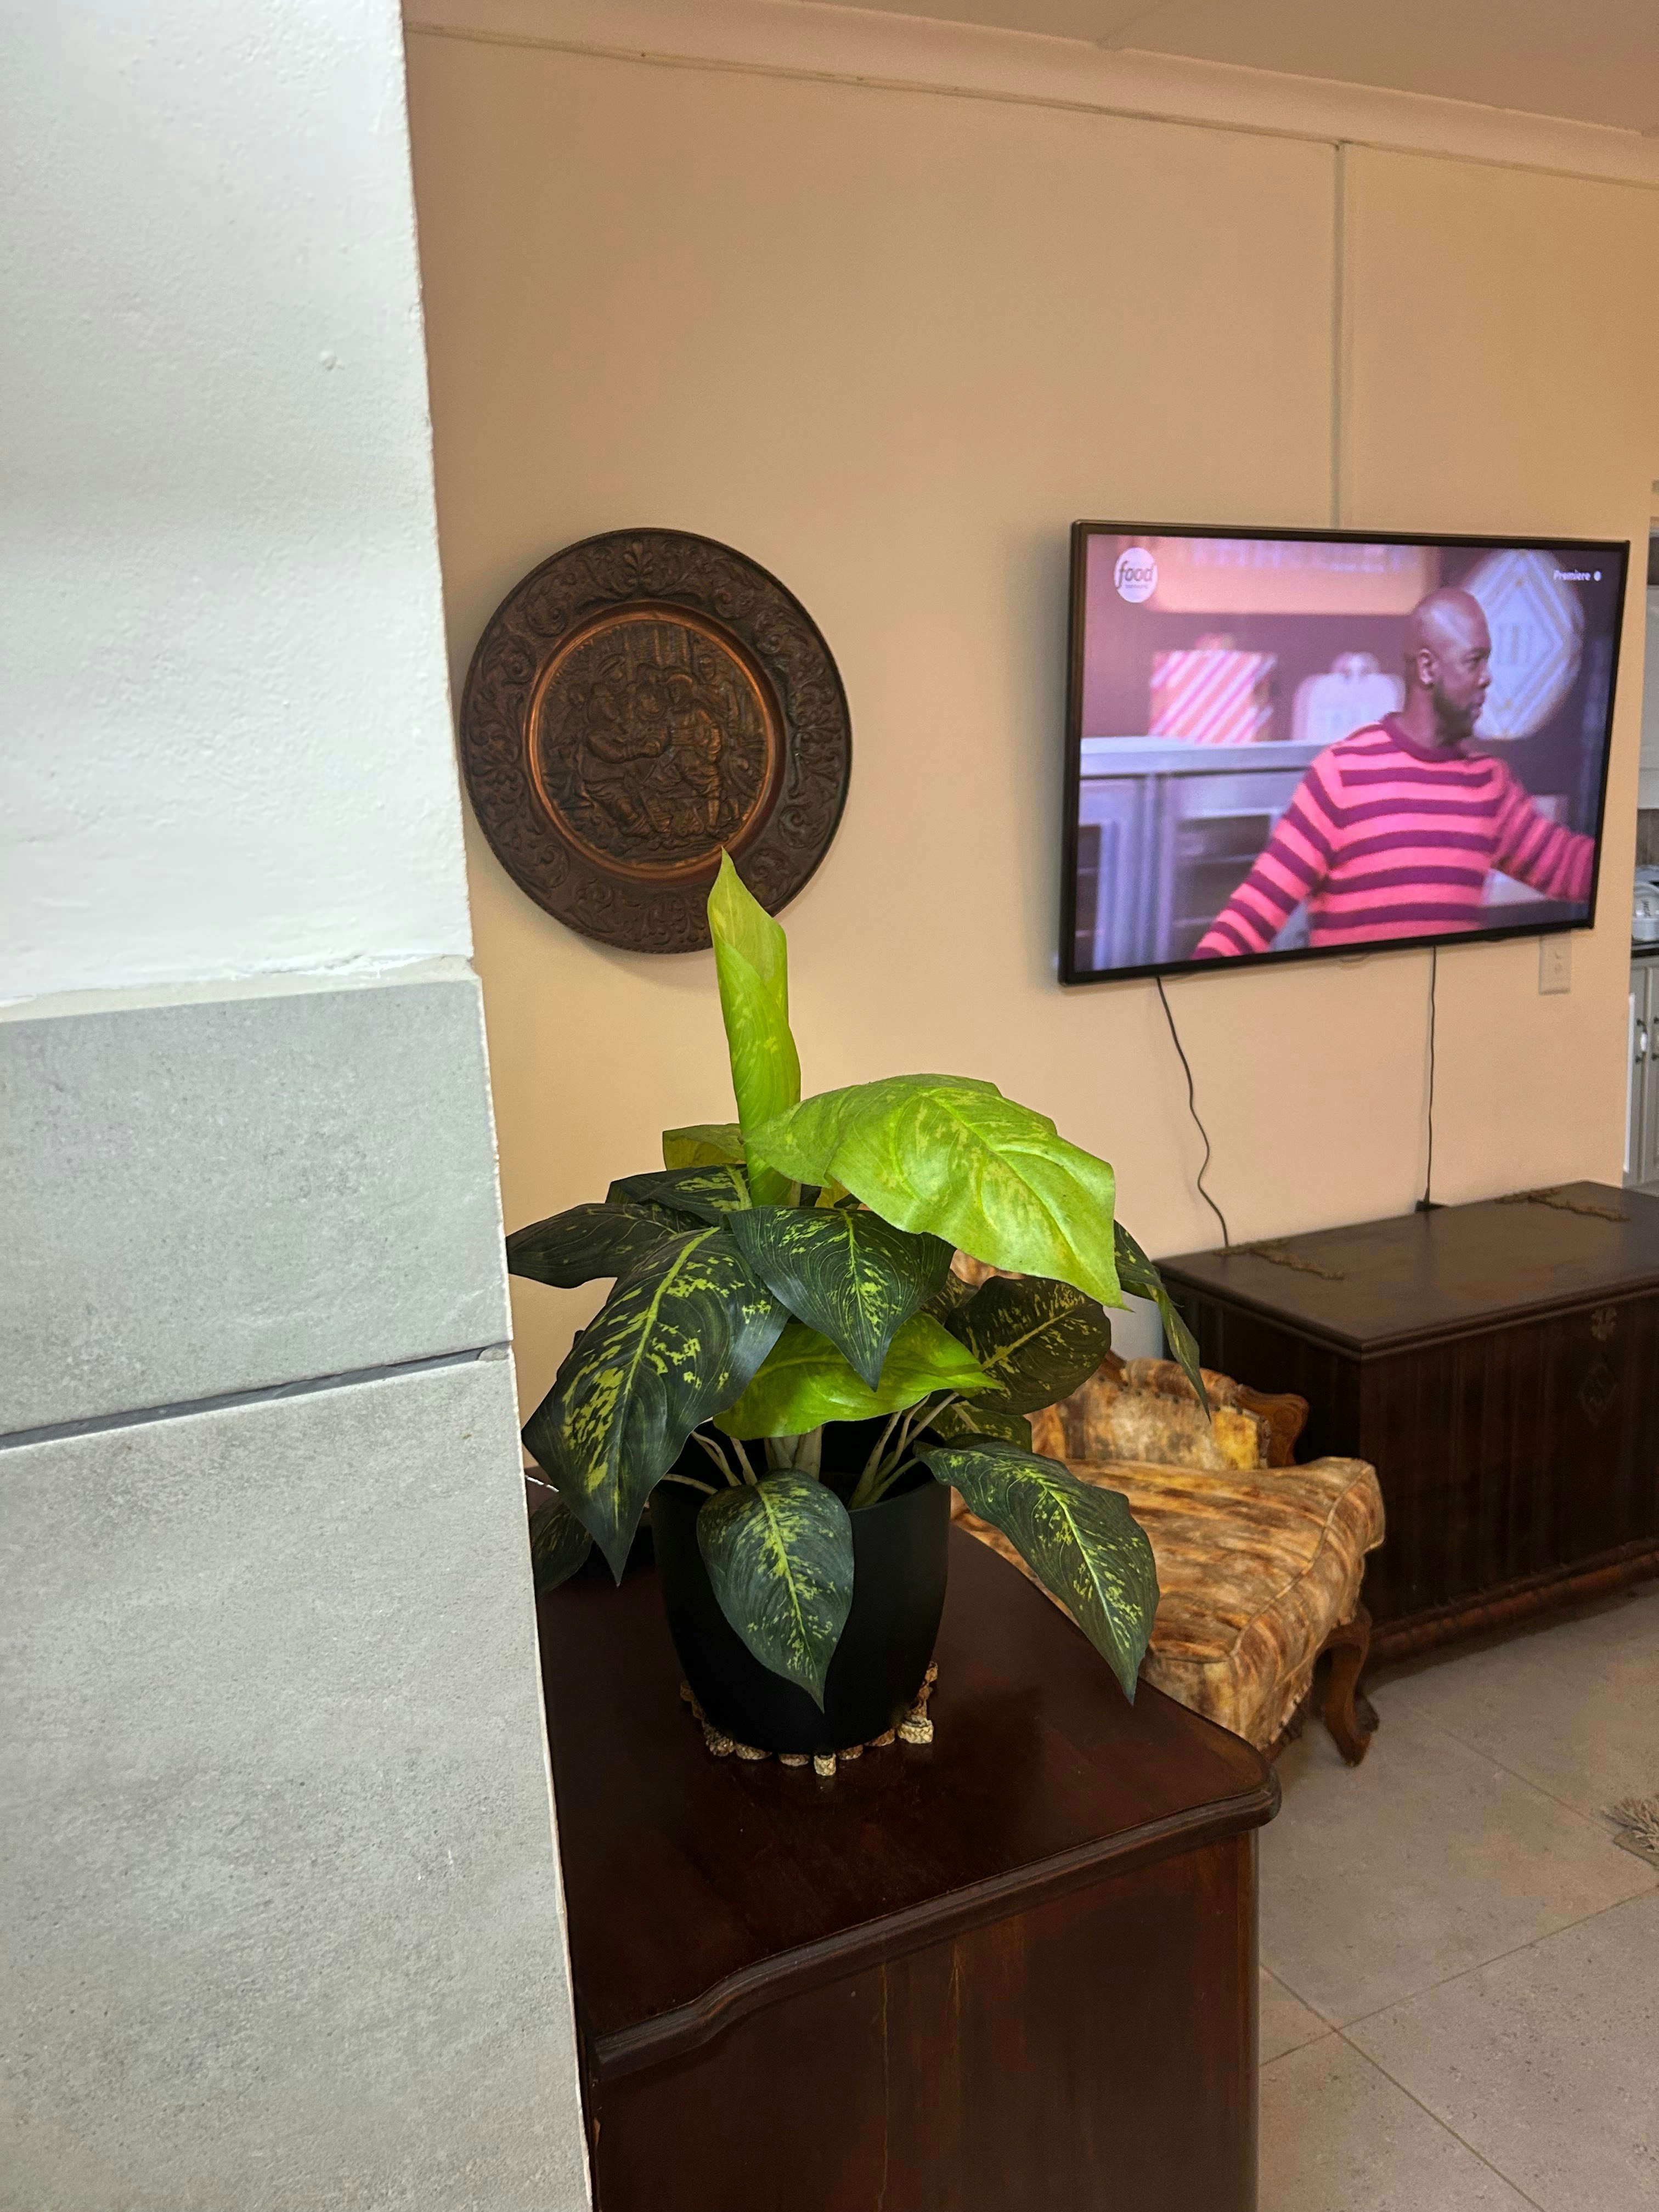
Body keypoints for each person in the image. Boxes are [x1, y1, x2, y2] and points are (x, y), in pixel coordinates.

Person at [1194, 588, 1594, 957]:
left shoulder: (1489, 786)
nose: (1487, 677)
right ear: (1428, 668)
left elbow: (1574, 868)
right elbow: (1254, 911)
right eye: (1474, 661)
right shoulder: (1343, 774)